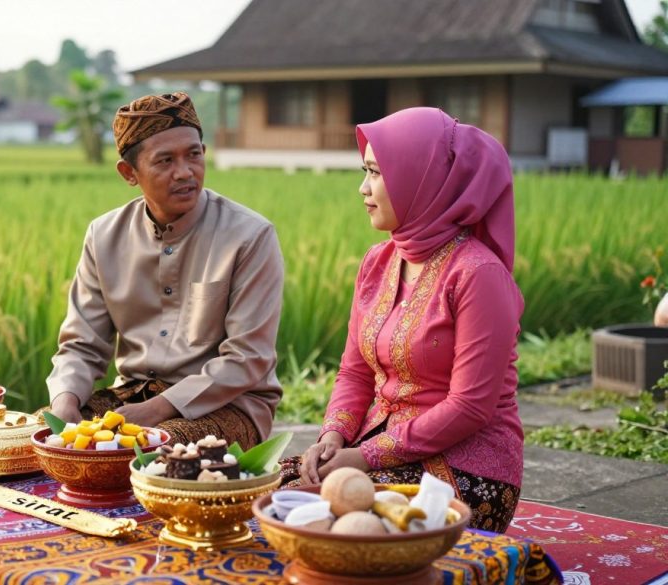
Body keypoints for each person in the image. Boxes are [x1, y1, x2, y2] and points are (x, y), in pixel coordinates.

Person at [289, 107, 525, 533]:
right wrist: (333, 438)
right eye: (365, 171)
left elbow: (470, 405)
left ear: (424, 179)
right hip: (374, 446)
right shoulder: (378, 262)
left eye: (377, 173)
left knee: (337, 519)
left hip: (466, 470)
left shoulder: (478, 274)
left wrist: (365, 456)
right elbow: (354, 371)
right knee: (273, 492)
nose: (363, 188)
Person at [46, 92, 284, 449]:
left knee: (161, 452)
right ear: (129, 173)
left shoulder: (250, 236)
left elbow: (247, 358)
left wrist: (156, 411)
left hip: (229, 406)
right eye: (165, 161)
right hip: (131, 397)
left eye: (194, 154)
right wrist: (64, 403)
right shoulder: (104, 235)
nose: (185, 172)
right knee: (39, 441)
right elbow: (82, 344)